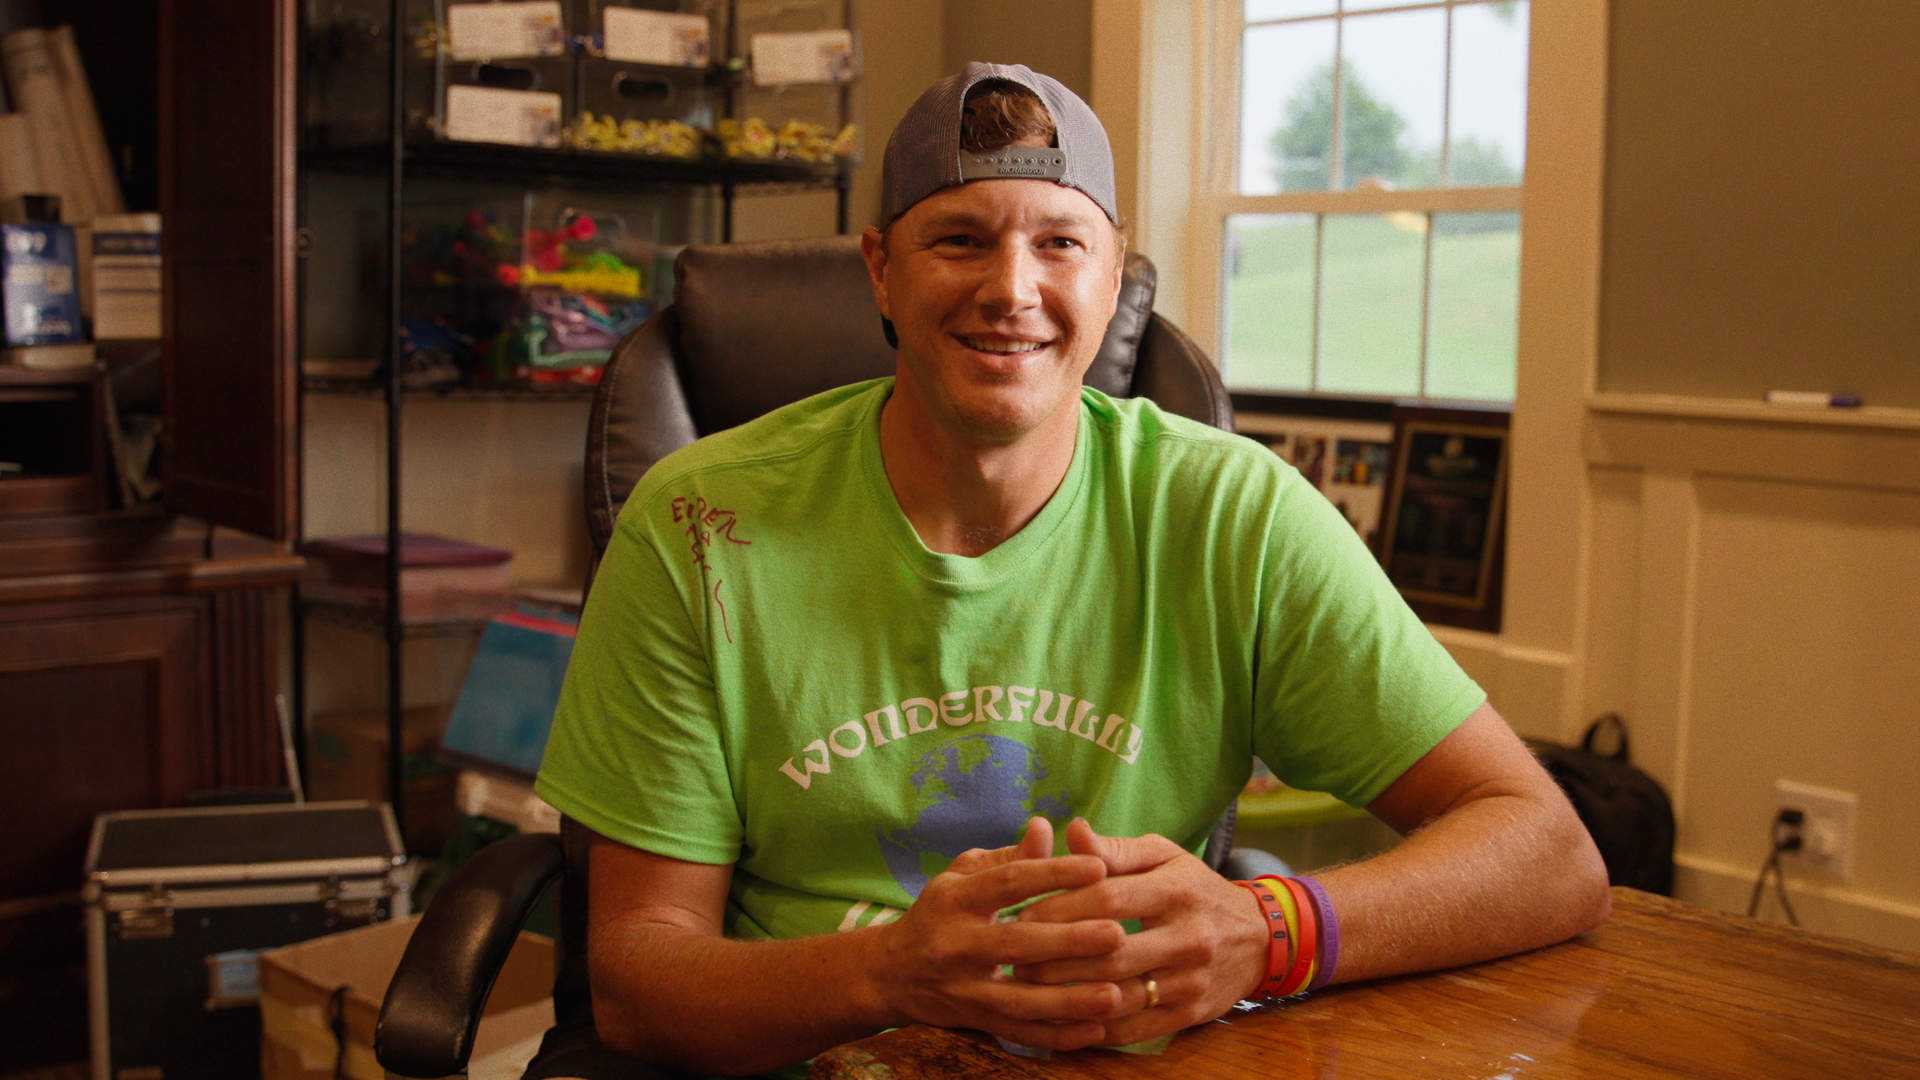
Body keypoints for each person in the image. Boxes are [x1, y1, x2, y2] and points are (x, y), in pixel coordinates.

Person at [534, 62, 1609, 1079]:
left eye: (1060, 242)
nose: (1013, 289)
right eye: (959, 239)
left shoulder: (1232, 513)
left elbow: (1549, 852)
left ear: (1115, 275)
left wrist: (1267, 928)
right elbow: (635, 981)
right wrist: (891, 972)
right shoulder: (698, 525)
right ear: (881, 271)